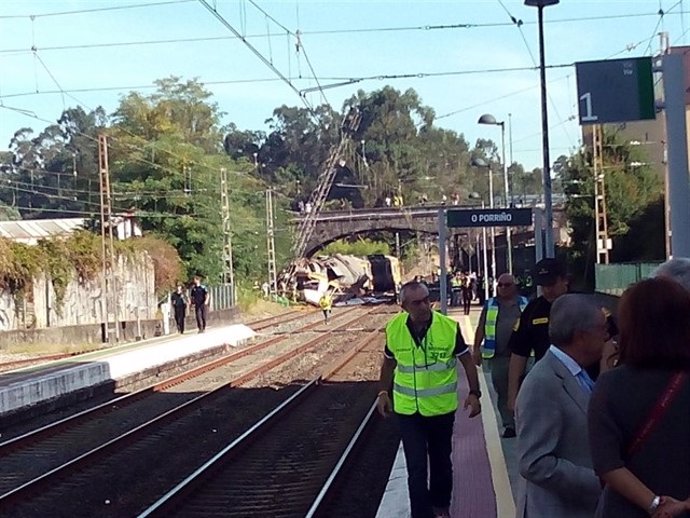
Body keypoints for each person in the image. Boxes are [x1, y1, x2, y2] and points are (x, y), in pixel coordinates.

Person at [376, 281, 481, 518]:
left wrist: (475, 393)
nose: (424, 306)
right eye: (417, 302)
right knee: (416, 467)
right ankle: (421, 514)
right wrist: (383, 392)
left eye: (426, 300)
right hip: (407, 412)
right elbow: (389, 363)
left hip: (440, 410)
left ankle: (441, 506)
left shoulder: (447, 328)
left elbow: (466, 361)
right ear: (403, 306)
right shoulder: (394, 329)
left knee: (441, 463)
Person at [588, 277, 690, 518]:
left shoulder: (610, 385)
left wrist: (655, 505)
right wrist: (683, 504)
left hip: (626, 510)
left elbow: (607, 464)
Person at [515, 294, 607, 518]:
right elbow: (534, 463)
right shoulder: (543, 383)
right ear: (581, 336)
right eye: (602, 329)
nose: (607, 336)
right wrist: (604, 482)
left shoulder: (578, 373)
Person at [507, 258, 569, 411]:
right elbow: (518, 353)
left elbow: (608, 342)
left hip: (583, 383)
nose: (547, 290)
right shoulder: (533, 310)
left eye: (552, 284)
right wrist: (513, 395)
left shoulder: (583, 305)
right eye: (543, 285)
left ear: (564, 280)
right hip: (547, 384)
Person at [472, 273, 528, 438]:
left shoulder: (525, 303)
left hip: (523, 355)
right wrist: (476, 349)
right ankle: (509, 424)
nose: (503, 288)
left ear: (514, 286)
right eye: (500, 285)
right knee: (502, 390)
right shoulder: (490, 304)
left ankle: (524, 422)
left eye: (507, 285)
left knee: (525, 388)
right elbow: (481, 326)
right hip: (498, 356)